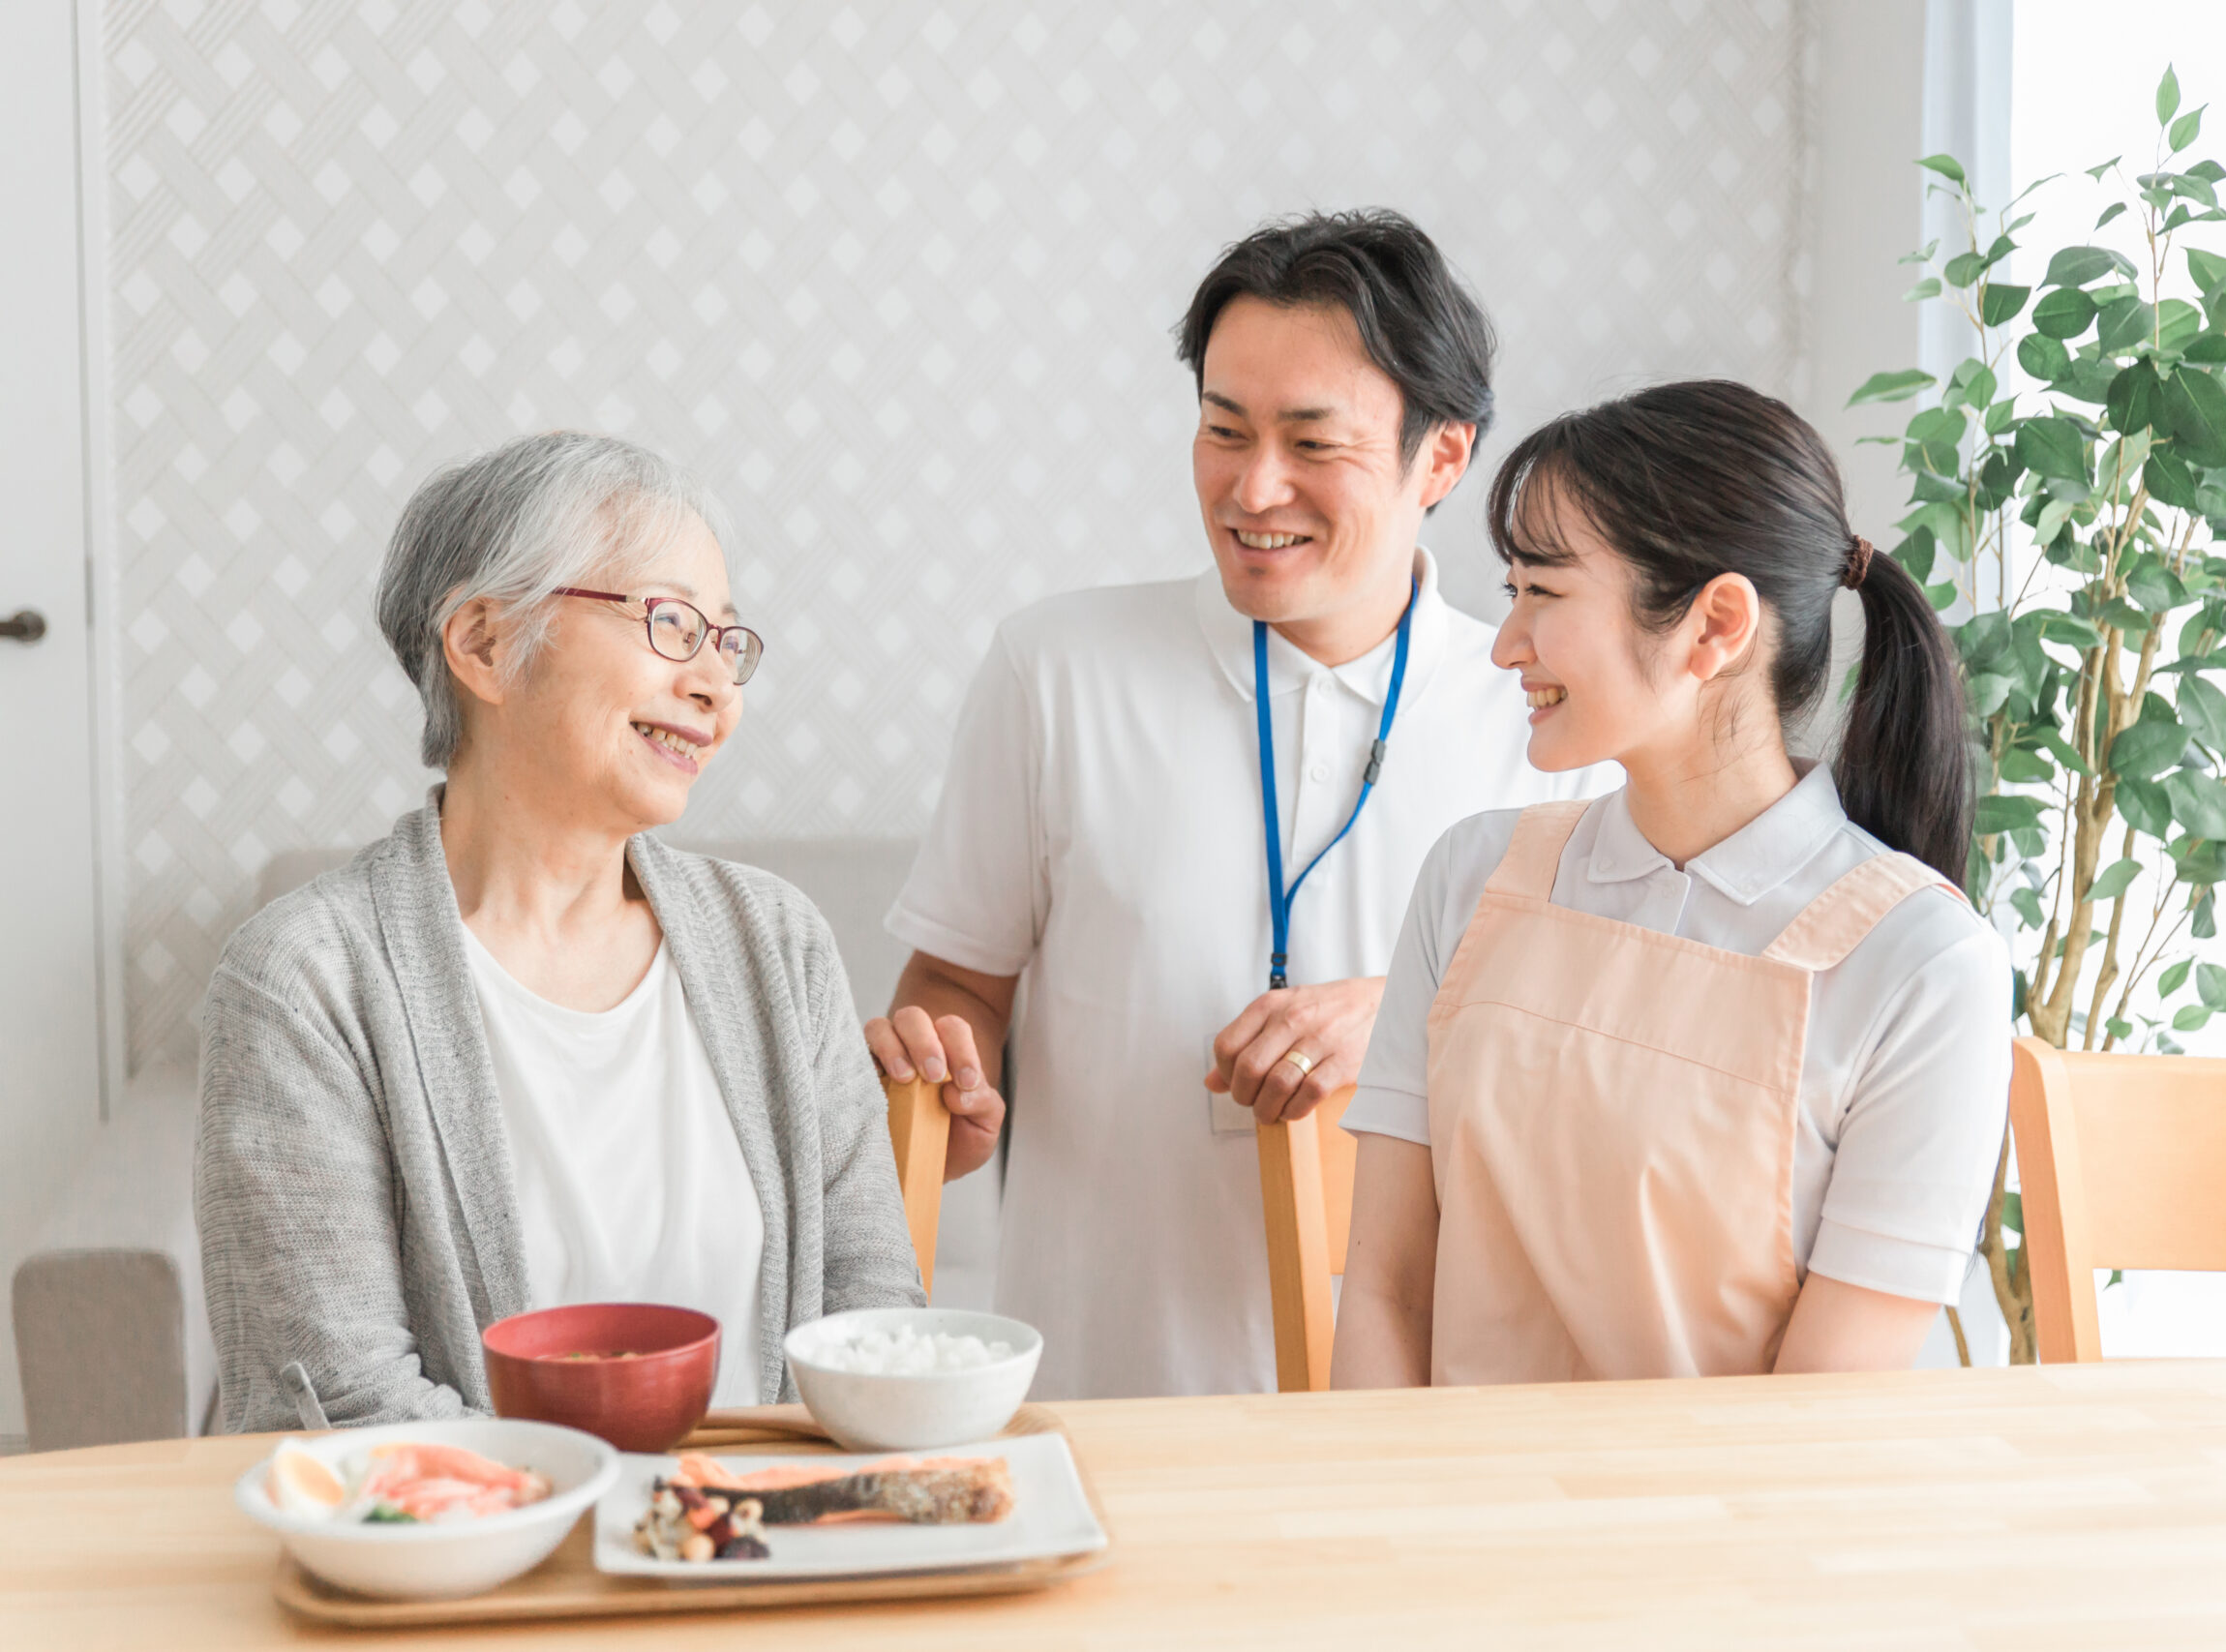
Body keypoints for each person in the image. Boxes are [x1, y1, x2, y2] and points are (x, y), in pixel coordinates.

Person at [866, 210, 1613, 1399]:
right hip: (1104, 1392)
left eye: (1312, 443)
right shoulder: (1055, 668)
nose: (1252, 487)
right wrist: (945, 1079)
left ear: (1442, 458)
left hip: (1434, 1418)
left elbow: (1614, 1076)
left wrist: (1419, 1014)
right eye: (1223, 430)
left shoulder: (1551, 717)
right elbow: (957, 985)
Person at [194, 432, 922, 1433]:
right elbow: (338, 1403)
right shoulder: (307, 982)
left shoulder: (778, 944)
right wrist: (632, 1536)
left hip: (762, 1553)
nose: (719, 685)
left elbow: (874, 1330)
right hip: (473, 1571)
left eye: (728, 639)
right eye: (669, 623)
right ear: (485, 645)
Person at [1331, 380, 2011, 1388]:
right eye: (1509, 590)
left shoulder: (1924, 966)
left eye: (1542, 593)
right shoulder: (1472, 876)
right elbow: (1389, 1290)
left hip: (1727, 1535)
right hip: (1452, 1517)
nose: (1505, 642)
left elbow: (1821, 1412)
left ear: (1714, 625)